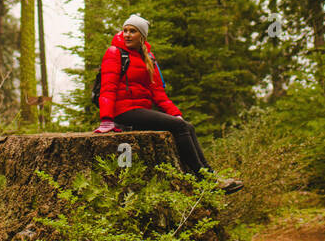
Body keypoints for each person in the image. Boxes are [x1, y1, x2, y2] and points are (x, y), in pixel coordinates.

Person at [93, 14, 243, 194]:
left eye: (132, 31)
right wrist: (107, 119)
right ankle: (205, 181)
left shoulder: (148, 57)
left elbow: (158, 93)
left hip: (139, 109)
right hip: (122, 110)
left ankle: (211, 176)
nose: (127, 35)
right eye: (125, 30)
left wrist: (175, 113)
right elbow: (107, 88)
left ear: (142, 35)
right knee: (179, 127)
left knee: (187, 126)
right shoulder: (114, 52)